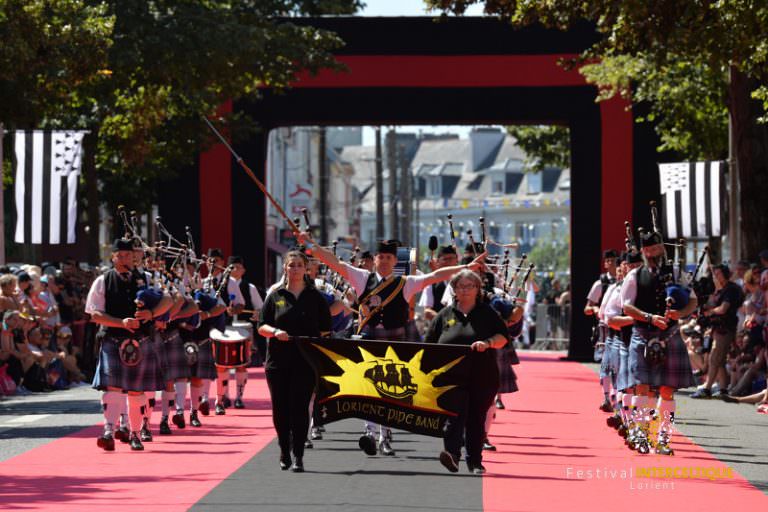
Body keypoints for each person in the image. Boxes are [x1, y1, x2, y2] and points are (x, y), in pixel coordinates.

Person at [303, 234, 484, 456]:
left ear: (395, 261)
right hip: (368, 339)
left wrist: (465, 266)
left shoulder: (406, 283)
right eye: (381, 256)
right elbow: (336, 263)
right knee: (367, 387)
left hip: (393, 341)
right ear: (376, 259)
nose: (385, 260)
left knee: (389, 390)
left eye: (389, 257)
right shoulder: (362, 278)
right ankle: (369, 433)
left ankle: (385, 436)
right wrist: (312, 245)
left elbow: (435, 275)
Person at [86, 238, 172, 451]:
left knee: (136, 391)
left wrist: (152, 313)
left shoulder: (148, 278)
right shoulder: (103, 281)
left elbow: (171, 299)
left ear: (134, 257)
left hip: (141, 339)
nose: (124, 259)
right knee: (113, 389)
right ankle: (108, 430)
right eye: (120, 255)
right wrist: (120, 323)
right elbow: (94, 314)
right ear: (113, 257)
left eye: (127, 255)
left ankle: (134, 433)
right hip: (113, 339)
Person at [620, 230, 698, 455]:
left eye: (655, 249)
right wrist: (649, 317)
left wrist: (680, 313)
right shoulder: (634, 276)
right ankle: (642, 435)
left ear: (662, 249)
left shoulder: (676, 272)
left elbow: (692, 300)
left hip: (670, 336)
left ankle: (663, 439)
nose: (652, 253)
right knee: (642, 388)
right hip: (643, 335)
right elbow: (626, 306)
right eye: (648, 250)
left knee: (667, 391)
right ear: (643, 251)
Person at [424, 269, 509, 475]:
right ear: (453, 290)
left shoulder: (487, 313)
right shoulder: (444, 315)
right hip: (450, 377)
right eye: (460, 286)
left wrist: (487, 343)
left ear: (478, 289)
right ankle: (452, 455)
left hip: (483, 374)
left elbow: (503, 337)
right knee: (454, 415)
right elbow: (429, 344)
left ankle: (475, 461)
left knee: (476, 418)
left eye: (469, 286)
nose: (464, 290)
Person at [258, 250, 332, 473]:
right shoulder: (276, 295)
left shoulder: (315, 296)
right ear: (285, 268)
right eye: (292, 265)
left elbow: (326, 329)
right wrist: (275, 331)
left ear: (306, 268)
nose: (296, 269)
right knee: (280, 409)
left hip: (306, 361)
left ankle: (298, 454)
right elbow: (262, 326)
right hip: (278, 361)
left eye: (300, 265)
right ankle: (283, 449)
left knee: (300, 408)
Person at [692, 264, 744, 399]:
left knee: (715, 357)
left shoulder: (731, 289)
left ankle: (707, 389)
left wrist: (710, 312)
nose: (715, 277)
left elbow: (723, 309)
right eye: (714, 274)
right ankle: (722, 389)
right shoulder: (720, 290)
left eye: (718, 274)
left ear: (725, 274)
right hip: (716, 328)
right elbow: (711, 305)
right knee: (718, 360)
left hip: (725, 328)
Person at [419, 245, 459, 323]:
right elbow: (427, 312)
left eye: (451, 259)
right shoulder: (431, 282)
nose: (448, 262)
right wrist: (448, 322)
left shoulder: (465, 280)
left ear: (456, 260)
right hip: (439, 330)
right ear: (438, 261)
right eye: (444, 259)